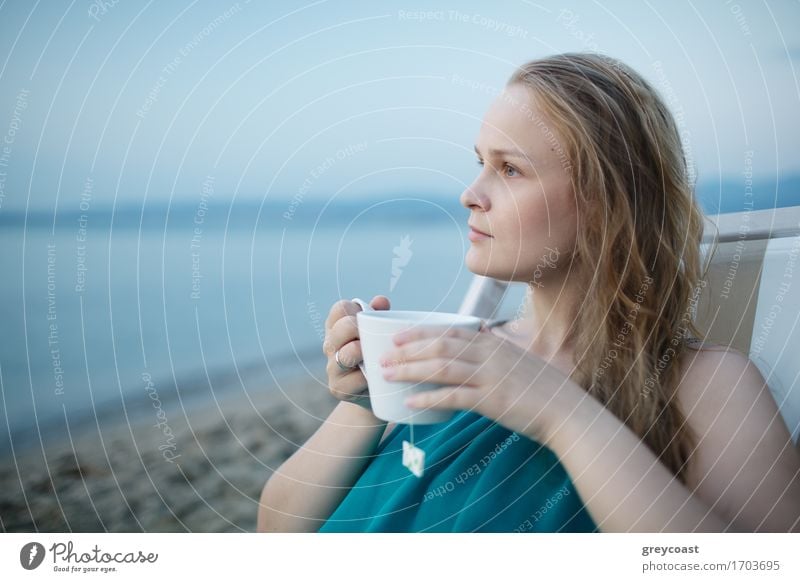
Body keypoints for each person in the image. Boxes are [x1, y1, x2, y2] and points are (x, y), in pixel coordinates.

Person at [257, 52, 800, 533]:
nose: (471, 195)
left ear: (606, 202)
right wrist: (367, 405)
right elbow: (277, 533)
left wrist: (560, 414)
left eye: (510, 169)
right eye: (480, 163)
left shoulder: (708, 387)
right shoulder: (456, 354)